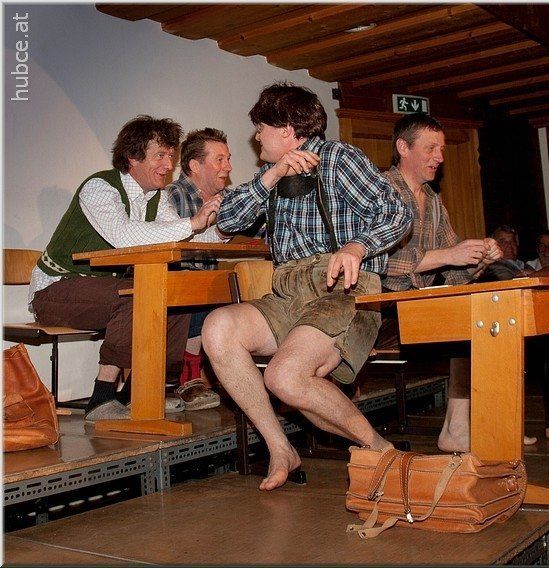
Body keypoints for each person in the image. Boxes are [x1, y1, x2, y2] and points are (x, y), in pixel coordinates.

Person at [201, 82, 412, 490]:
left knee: (285, 378)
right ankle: (281, 448)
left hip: (342, 290)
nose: (256, 137)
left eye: (261, 128)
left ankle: (383, 452)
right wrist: (273, 175)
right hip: (289, 291)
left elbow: (396, 212)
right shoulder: (270, 174)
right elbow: (226, 220)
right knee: (218, 327)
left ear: (286, 130)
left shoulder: (338, 158)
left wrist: (356, 246)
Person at [29, 115, 223, 421]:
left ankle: (143, 391)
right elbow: (123, 237)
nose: (168, 164)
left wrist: (222, 228)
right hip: (55, 289)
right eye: (160, 156)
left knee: (174, 296)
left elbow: (184, 235)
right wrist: (192, 222)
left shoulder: (157, 197)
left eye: (170, 156)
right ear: (133, 157)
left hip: (101, 291)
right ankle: (102, 397)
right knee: (136, 294)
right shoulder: (99, 187)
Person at [381, 113, 502, 453]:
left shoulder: (433, 201)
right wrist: (450, 254)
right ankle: (459, 429)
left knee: (489, 315)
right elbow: (378, 262)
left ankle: (484, 424)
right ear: (403, 147)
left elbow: (453, 273)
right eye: (431, 148)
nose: (439, 157)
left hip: (416, 304)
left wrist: (480, 257)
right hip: (377, 308)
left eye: (442, 149)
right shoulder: (380, 191)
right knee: (472, 322)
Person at [165, 128, 233, 411]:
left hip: (206, 279)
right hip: (172, 281)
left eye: (228, 159)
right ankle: (188, 375)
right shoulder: (173, 195)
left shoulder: (228, 198)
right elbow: (172, 244)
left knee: (239, 288)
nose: (228, 167)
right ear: (195, 165)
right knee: (201, 286)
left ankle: (236, 373)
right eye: (219, 159)